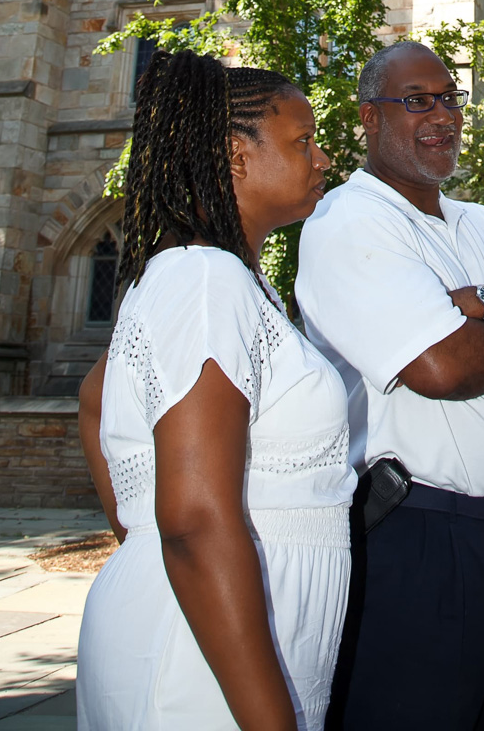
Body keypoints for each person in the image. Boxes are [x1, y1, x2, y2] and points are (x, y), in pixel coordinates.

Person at [296, 40, 484, 731]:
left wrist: (481, 303)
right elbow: (443, 369)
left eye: (450, 98)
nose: (443, 116)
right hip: (413, 537)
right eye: (417, 101)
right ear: (370, 118)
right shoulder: (350, 220)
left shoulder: (478, 224)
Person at [76, 49, 355, 731]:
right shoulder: (205, 279)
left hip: (213, 638)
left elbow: (93, 400)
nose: (323, 160)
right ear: (235, 154)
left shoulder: (219, 278)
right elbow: (196, 519)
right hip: (200, 667)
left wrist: (140, 527)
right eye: (303, 142)